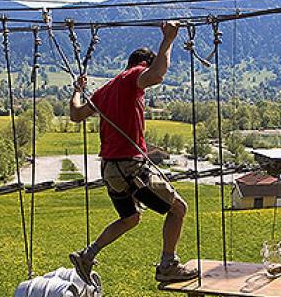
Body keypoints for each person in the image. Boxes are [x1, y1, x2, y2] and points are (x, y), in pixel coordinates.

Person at [67, 21, 196, 283]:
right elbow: (157, 74)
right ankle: (168, 265)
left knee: (130, 218)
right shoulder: (133, 77)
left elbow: (76, 114)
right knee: (178, 209)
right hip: (130, 166)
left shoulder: (106, 89)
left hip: (110, 169)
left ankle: (87, 255)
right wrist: (168, 40)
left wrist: (77, 92)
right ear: (142, 66)